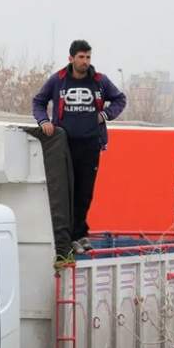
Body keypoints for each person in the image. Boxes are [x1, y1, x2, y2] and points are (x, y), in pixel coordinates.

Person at [32, 40, 126, 255]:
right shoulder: (58, 80)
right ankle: (71, 236)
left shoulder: (100, 81)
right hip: (64, 145)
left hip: (91, 143)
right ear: (71, 58)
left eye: (88, 57)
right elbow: (38, 102)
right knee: (67, 191)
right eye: (81, 57)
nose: (85, 61)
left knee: (85, 192)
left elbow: (120, 99)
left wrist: (105, 115)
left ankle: (81, 234)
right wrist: (44, 121)